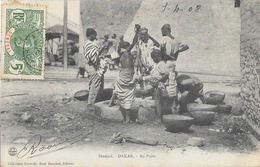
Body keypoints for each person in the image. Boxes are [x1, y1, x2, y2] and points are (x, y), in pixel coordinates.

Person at [109, 24, 141, 123]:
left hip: (124, 75)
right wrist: (137, 32)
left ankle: (111, 102)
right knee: (128, 96)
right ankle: (127, 119)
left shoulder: (121, 55)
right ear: (126, 48)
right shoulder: (126, 53)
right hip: (127, 76)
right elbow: (134, 42)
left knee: (120, 91)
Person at [160, 24, 189, 113]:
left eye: (162, 31)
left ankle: (166, 105)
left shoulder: (164, 39)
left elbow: (162, 52)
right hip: (173, 62)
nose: (162, 33)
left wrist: (164, 57)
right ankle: (174, 104)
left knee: (164, 82)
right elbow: (186, 46)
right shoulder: (175, 40)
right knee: (172, 81)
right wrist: (177, 52)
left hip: (166, 62)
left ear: (165, 30)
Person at [140, 48, 168, 122]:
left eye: (153, 58)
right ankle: (157, 116)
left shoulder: (161, 64)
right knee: (155, 100)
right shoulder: (157, 64)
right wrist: (144, 78)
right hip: (155, 85)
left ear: (157, 57)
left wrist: (158, 81)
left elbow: (166, 74)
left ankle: (158, 119)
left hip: (158, 85)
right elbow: (154, 75)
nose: (153, 60)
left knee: (157, 101)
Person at [84, 28, 108, 112]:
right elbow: (93, 57)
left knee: (100, 84)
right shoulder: (89, 44)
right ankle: (90, 104)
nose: (95, 37)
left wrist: (101, 50)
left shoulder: (91, 44)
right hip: (92, 66)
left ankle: (97, 101)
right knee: (95, 84)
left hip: (95, 66)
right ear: (91, 35)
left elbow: (96, 53)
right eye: (94, 35)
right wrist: (100, 50)